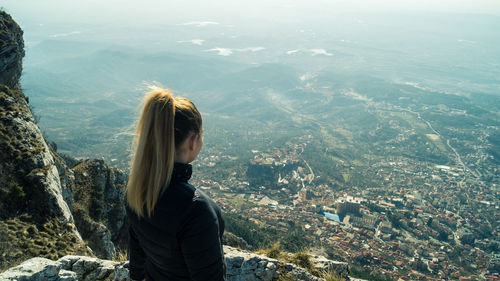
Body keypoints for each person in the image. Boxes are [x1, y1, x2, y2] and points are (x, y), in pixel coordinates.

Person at [126, 87, 226, 281]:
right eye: (201, 134)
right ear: (192, 140)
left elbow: (137, 260)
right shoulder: (197, 210)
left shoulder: (136, 191)